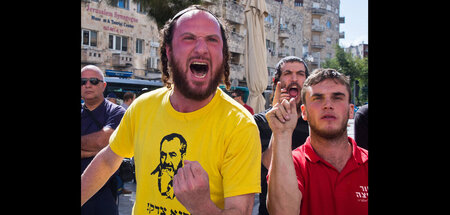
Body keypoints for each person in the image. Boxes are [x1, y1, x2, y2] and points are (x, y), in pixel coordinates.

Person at [81, 5, 261, 215]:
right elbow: (108, 160)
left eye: (212, 40)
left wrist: (202, 206)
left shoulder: (240, 125)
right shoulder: (142, 107)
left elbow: (240, 211)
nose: (201, 48)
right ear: (168, 50)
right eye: (189, 38)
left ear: (223, 54)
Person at [266, 68, 368, 215]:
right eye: (318, 98)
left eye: (337, 97)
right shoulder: (290, 164)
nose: (328, 105)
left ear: (351, 110)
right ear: (304, 112)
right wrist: (282, 133)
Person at [253, 56, 310, 215]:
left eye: (300, 74)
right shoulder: (258, 123)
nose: (294, 78)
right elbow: (265, 167)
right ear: (276, 82)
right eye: (288, 73)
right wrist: (279, 123)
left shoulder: (314, 122)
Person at [81, 65, 126, 215]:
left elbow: (104, 141)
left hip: (104, 193)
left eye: (93, 81)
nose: (87, 85)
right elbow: (103, 145)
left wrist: (103, 146)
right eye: (83, 81)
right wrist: (98, 150)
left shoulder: (116, 111)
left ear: (103, 85)